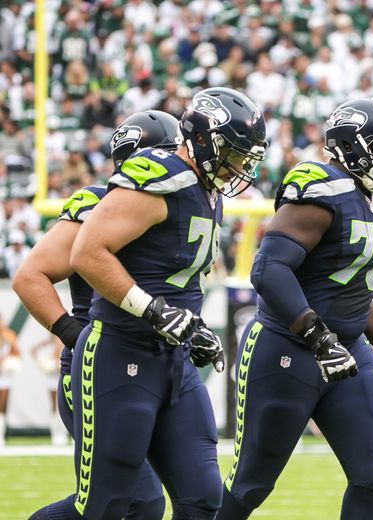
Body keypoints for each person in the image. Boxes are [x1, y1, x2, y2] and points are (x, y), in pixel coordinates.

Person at [28, 88, 265, 519]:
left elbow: (174, 286)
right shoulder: (155, 182)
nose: (238, 166)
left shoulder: (205, 192)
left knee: (202, 498)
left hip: (171, 361)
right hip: (118, 352)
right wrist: (145, 312)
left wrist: (192, 329)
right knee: (111, 505)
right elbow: (77, 257)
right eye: (231, 152)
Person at [217, 97, 373, 520]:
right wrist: (317, 336)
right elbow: (269, 269)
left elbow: (354, 291)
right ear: (351, 145)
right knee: (252, 484)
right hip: (287, 349)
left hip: (349, 351)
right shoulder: (319, 186)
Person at [15, 110, 188, 516]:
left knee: (179, 495)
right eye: (171, 154)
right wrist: (76, 334)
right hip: (101, 366)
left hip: (154, 366)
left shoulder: (184, 206)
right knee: (131, 502)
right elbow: (30, 275)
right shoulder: (100, 204)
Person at [0, 314, 20, 447]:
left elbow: (16, 353)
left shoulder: (9, 335)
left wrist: (10, 362)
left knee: (3, 407)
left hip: (5, 377)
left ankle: (2, 436)